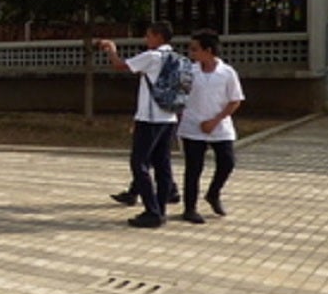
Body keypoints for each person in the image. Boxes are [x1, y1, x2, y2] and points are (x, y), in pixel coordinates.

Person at [98, 21, 179, 228]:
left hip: (150, 119)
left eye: (149, 35)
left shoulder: (152, 57)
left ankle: (151, 210)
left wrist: (112, 50)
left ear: (159, 37)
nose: (146, 39)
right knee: (163, 165)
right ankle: (160, 209)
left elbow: (120, 65)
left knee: (139, 163)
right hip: (169, 118)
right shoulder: (177, 59)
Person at [178, 29, 244, 224]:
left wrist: (215, 120)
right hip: (192, 126)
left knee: (227, 162)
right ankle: (190, 208)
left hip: (219, 126)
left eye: (195, 49)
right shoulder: (189, 71)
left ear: (208, 50)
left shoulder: (227, 72)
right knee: (193, 169)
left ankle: (213, 193)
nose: (191, 53)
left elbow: (235, 100)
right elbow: (179, 97)